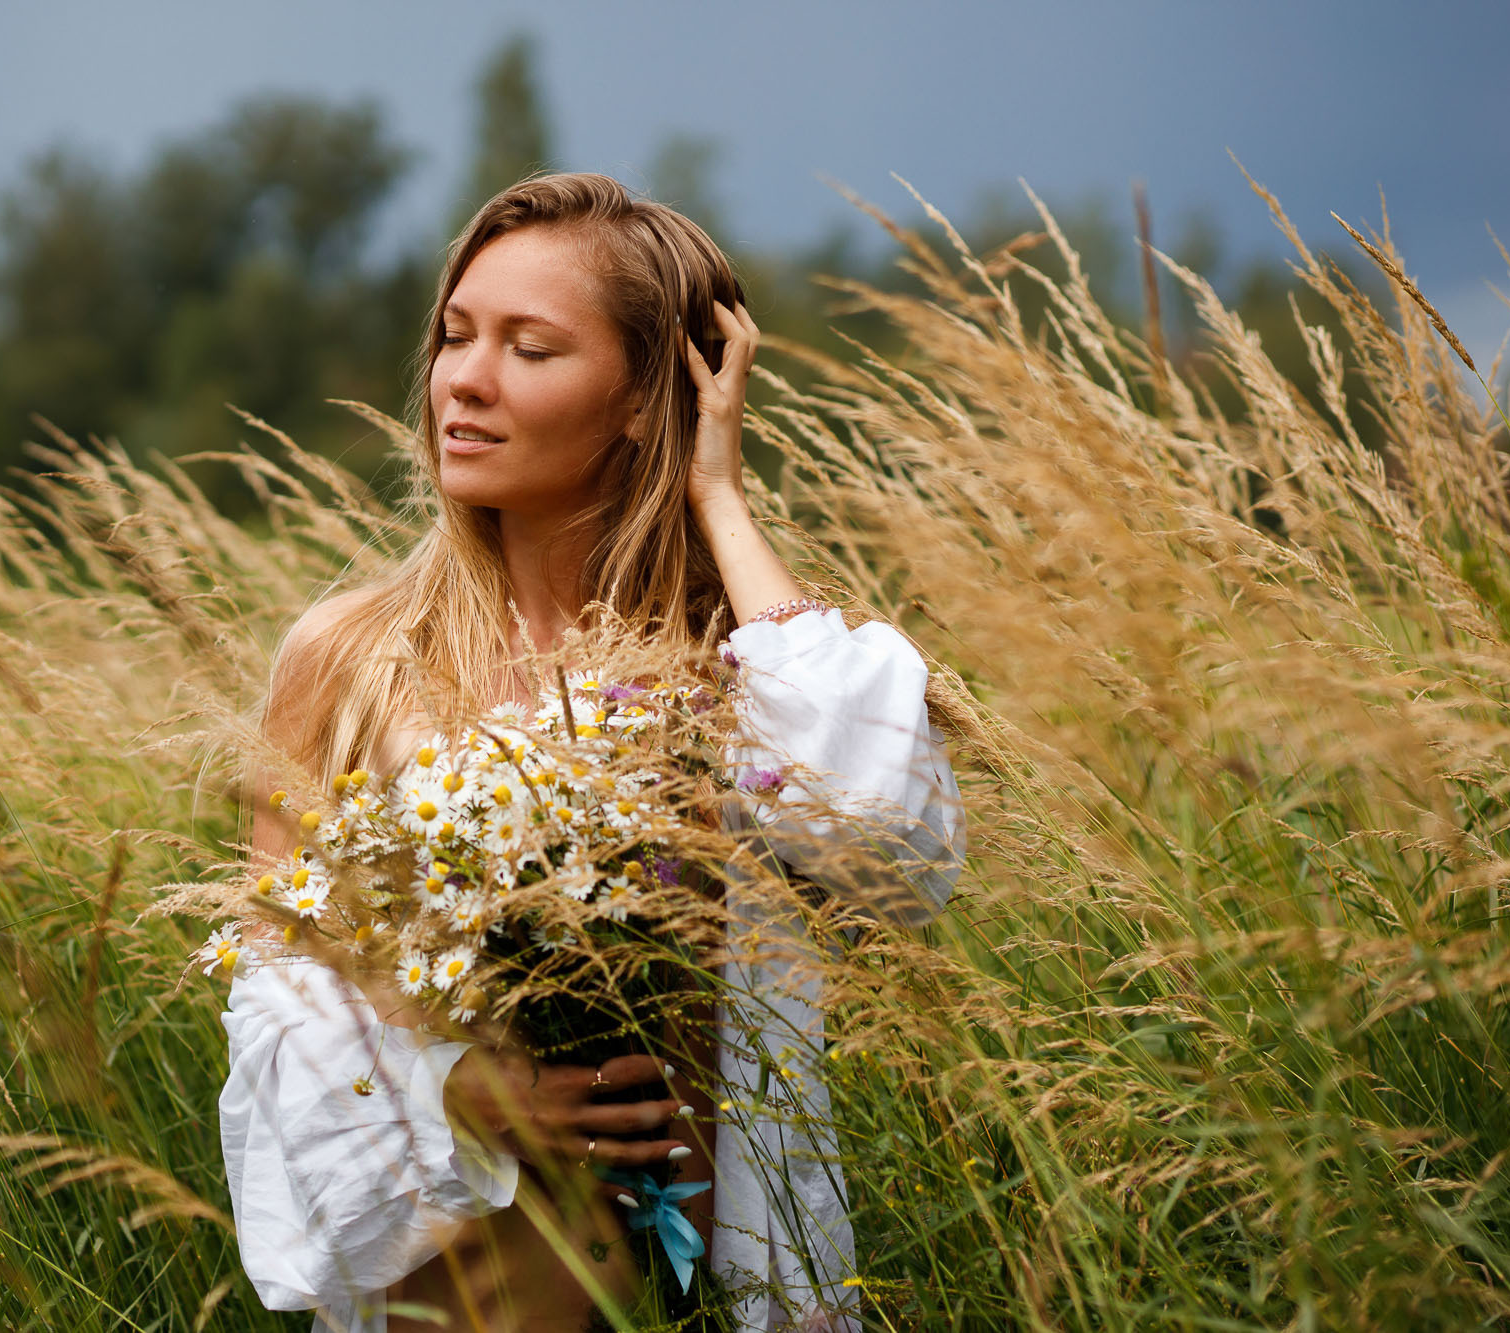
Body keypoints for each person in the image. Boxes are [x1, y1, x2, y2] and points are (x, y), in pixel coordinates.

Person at [217, 172, 966, 1333]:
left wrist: (715, 491)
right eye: (455, 337)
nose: (463, 380)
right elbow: (280, 991)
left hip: (717, 1291)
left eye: (530, 348)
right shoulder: (351, 655)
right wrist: (464, 1093)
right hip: (461, 1289)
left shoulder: (749, 668)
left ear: (641, 397)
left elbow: (877, 844)